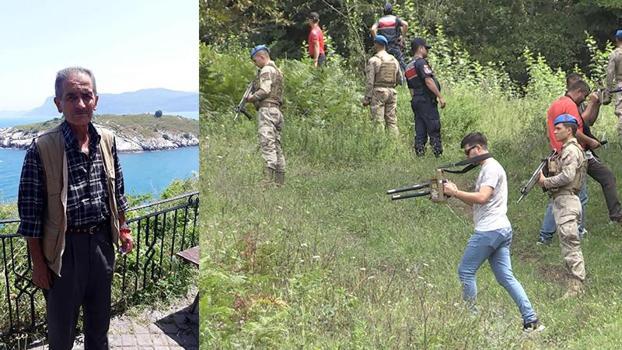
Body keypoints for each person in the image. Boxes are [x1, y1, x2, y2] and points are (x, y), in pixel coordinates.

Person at [17, 67, 134, 349]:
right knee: (61, 334)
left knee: (99, 327)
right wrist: (38, 265)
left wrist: (124, 227)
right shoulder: (42, 149)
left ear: (96, 99)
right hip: (63, 253)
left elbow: (117, 192)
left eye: (86, 96)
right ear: (58, 103)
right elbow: (30, 216)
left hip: (102, 244)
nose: (80, 104)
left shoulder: (106, 140)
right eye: (71, 97)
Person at [443, 132, 544, 333]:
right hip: (500, 228)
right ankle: (531, 320)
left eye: (468, 152)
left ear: (478, 149)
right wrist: (453, 195)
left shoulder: (490, 168)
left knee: (465, 271)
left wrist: (455, 192)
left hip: (489, 230)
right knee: (506, 277)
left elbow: (481, 197)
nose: (467, 157)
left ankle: (470, 320)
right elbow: (478, 202)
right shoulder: (489, 167)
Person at [537, 80, 596, 245]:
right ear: (578, 91)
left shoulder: (555, 104)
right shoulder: (570, 106)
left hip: (556, 153)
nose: (582, 100)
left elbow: (555, 130)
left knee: (557, 197)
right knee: (580, 195)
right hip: (569, 153)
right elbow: (576, 129)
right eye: (583, 97)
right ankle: (577, 231)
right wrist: (591, 142)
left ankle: (545, 236)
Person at [538, 114, 588, 298]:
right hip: (563, 201)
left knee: (570, 243)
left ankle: (576, 287)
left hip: (567, 200)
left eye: (558, 128)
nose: (555, 131)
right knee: (568, 243)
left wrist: (546, 182)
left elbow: (567, 176)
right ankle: (573, 284)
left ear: (569, 130)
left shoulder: (571, 150)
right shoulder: (565, 150)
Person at [245, 45, 286, 185]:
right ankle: (279, 182)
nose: (255, 64)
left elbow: (265, 90)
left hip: (267, 110)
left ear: (261, 57)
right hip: (277, 111)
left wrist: (251, 98)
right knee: (277, 145)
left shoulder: (266, 70)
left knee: (267, 143)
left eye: (255, 61)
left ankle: (266, 182)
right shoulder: (278, 71)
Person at [405, 38, 446, 157]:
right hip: (426, 100)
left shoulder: (409, 67)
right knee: (433, 126)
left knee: (420, 129)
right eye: (426, 48)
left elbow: (411, 89)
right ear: (421, 48)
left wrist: (415, 100)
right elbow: (428, 81)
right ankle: (437, 154)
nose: (427, 51)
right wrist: (440, 97)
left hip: (416, 100)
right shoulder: (421, 63)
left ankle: (420, 154)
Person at [362, 35, 401, 135]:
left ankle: (379, 145)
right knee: (392, 121)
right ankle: (394, 144)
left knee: (378, 121)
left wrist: (367, 98)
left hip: (378, 92)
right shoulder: (394, 60)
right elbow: (399, 79)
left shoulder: (374, 60)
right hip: (392, 92)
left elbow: (370, 81)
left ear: (376, 44)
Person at [370, 3, 408, 74]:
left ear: (384, 11)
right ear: (392, 11)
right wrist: (403, 38)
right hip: (395, 45)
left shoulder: (380, 21)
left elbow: (372, 29)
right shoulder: (396, 19)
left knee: (383, 64)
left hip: (384, 47)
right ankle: (404, 81)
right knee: (400, 63)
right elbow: (405, 24)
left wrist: (377, 39)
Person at [606, 29, 622, 135]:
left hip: (620, 85)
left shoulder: (615, 54)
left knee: (621, 110)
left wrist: (609, 88)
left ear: (616, 39)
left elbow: (610, 73)